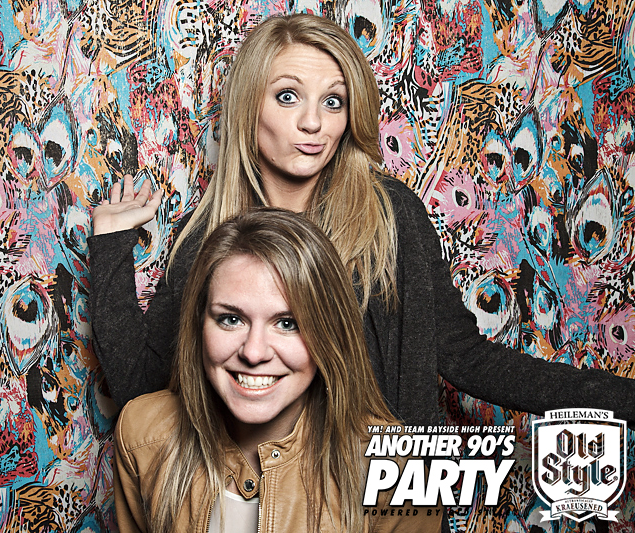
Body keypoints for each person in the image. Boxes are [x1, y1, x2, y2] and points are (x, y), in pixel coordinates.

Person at [88, 13, 635, 427]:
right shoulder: (210, 237)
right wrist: (111, 244)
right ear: (248, 106)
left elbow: (466, 357)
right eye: (287, 96)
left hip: (378, 500)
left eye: (333, 101)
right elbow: (142, 388)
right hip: (257, 501)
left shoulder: (389, 215)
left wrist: (620, 400)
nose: (313, 122)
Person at [114, 208, 442, 532]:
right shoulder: (142, 434)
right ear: (199, 324)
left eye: (287, 323)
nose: (254, 352)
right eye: (231, 319)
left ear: (329, 334)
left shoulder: (394, 467)